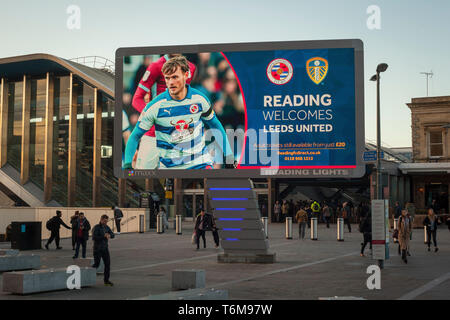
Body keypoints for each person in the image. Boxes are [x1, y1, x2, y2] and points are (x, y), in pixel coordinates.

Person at [124, 55, 234, 170]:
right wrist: (154, 118)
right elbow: (137, 102)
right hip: (160, 147)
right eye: (167, 78)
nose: (171, 82)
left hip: (194, 157)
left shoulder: (199, 97)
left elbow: (215, 125)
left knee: (209, 184)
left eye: (175, 77)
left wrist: (229, 156)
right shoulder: (155, 71)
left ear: (186, 75)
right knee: (145, 180)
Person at [131, 54, 197, 169]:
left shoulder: (191, 67)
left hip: (177, 136)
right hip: (153, 135)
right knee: (141, 179)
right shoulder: (155, 66)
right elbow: (137, 99)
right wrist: (154, 117)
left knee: (173, 182)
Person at [92, 215, 115, 286]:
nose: (105, 222)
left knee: (107, 264)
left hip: (105, 248)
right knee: (97, 264)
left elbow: (113, 235)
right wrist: (103, 236)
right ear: (101, 220)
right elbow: (94, 237)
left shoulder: (107, 227)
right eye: (104, 221)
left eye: (106, 221)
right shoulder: (96, 227)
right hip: (97, 249)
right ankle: (87, 273)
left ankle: (106, 280)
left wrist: (109, 235)